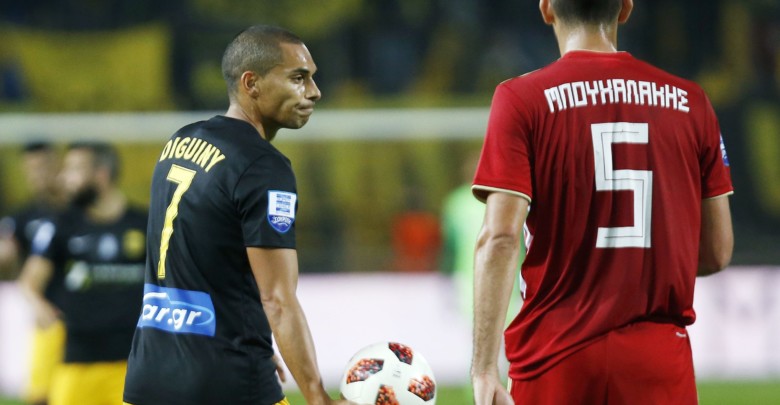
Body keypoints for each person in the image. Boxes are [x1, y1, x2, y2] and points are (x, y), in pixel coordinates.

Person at [470, 1, 734, 404]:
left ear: (546, 8)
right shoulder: (691, 101)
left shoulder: (521, 98)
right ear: (625, 8)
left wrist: (484, 368)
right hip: (658, 359)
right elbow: (717, 251)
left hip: (556, 356)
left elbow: (501, 236)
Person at [122, 25, 358, 405]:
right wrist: (317, 396)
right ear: (252, 83)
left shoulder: (180, 141)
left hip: (148, 376)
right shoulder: (263, 167)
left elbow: (196, 257)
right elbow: (277, 299)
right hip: (226, 382)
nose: (314, 91)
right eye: (298, 78)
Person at [17, 142, 146, 405]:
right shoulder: (62, 225)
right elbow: (30, 281)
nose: (64, 178)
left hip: (133, 362)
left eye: (74, 169)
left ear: (101, 174)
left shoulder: (144, 224)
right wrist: (39, 305)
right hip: (77, 360)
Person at [0, 141, 64, 405]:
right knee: (40, 392)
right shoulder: (23, 217)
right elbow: (6, 252)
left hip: (83, 308)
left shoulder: (77, 209)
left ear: (56, 165)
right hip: (44, 313)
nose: (36, 175)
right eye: (30, 169)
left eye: (42, 167)